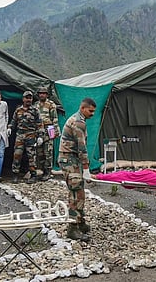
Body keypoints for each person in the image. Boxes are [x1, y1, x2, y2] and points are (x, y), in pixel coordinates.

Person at [58, 97, 96, 241]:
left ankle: (80, 221)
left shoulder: (78, 119)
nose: (92, 114)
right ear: (83, 108)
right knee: (76, 193)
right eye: (90, 111)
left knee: (78, 190)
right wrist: (86, 168)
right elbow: (82, 147)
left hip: (70, 159)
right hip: (69, 159)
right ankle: (72, 228)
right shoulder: (78, 123)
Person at [7, 91, 43, 184]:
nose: (28, 100)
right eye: (26, 98)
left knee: (31, 156)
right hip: (20, 135)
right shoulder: (18, 110)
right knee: (17, 155)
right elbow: (13, 121)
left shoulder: (35, 111)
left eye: (30, 98)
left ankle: (33, 175)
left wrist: (40, 136)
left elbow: (40, 124)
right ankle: (15, 175)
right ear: (23, 99)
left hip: (31, 135)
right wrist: (10, 128)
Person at [34, 86, 60, 181]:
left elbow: (55, 119)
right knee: (39, 152)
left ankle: (48, 172)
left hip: (49, 129)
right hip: (38, 131)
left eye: (44, 93)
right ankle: (42, 171)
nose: (42, 95)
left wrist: (55, 132)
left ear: (47, 95)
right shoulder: (35, 105)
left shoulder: (51, 104)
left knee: (48, 152)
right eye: (40, 93)